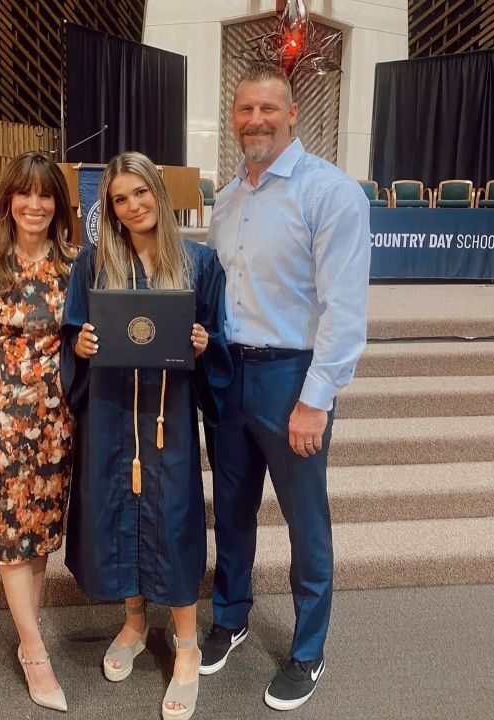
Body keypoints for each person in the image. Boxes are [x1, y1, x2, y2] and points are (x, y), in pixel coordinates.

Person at [201, 63, 371, 711]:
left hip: (290, 378)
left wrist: (315, 397)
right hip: (228, 375)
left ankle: (307, 651)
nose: (255, 121)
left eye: (268, 109)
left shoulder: (328, 193)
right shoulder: (229, 199)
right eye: (244, 109)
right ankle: (231, 615)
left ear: (292, 113)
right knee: (233, 509)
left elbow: (343, 309)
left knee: (306, 523)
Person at [61, 151, 232, 720]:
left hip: (168, 419)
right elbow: (72, 336)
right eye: (119, 199)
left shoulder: (200, 264)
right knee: (117, 514)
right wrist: (80, 348)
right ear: (107, 209)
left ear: (159, 190)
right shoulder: (93, 264)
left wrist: (207, 345)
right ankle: (134, 623)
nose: (133, 206)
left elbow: (216, 338)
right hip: (110, 416)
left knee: (174, 519)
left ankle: (186, 644)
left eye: (141, 192)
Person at [0, 150, 77, 712]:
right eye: (24, 194)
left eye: (45, 194)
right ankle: (34, 650)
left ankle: (30, 631)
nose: (35, 205)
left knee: (41, 533)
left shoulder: (74, 267)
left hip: (57, 418)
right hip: (2, 416)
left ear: (58, 203)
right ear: (8, 200)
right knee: (11, 534)